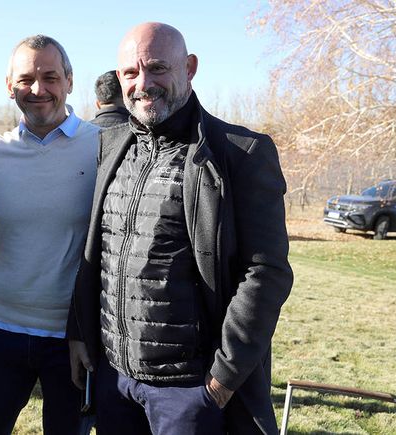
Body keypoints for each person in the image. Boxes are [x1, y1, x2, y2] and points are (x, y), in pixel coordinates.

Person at [67, 22, 293, 435]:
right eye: (131, 73)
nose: (143, 84)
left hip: (189, 392)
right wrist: (80, 331)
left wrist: (221, 381)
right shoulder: (110, 146)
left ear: (189, 68)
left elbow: (266, 272)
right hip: (115, 382)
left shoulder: (240, 152)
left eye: (157, 68)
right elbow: (97, 252)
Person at [0, 35, 99, 434]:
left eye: (50, 77)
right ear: (10, 86)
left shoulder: (101, 147)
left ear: (69, 81)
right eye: (25, 79)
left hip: (73, 338)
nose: (38, 89)